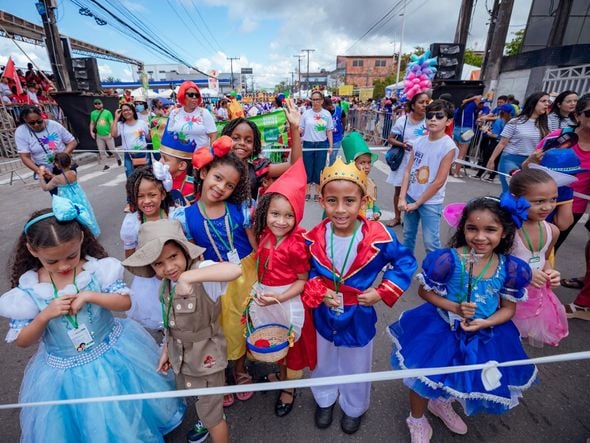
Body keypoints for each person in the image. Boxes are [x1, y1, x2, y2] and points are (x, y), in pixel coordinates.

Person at [0, 197, 185, 442]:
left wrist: (90, 295)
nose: (64, 266)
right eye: (52, 261)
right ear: (33, 250)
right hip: (63, 371)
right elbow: (23, 340)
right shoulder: (29, 290)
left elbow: (124, 303)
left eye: (71, 256)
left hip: (114, 351)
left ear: (81, 241)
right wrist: (45, 314)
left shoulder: (97, 270)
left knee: (123, 412)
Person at [388, 196, 536, 442]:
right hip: (442, 328)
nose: (480, 237)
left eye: (490, 230)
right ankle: (416, 418)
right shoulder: (448, 259)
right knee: (424, 376)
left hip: (484, 332)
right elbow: (425, 291)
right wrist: (454, 307)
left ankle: (441, 403)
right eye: (472, 228)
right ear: (463, 228)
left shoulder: (510, 268)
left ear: (504, 232)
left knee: (459, 374)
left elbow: (508, 309)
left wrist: (486, 322)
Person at [301, 157, 417, 435]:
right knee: (324, 358)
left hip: (359, 312)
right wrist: (319, 289)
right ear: (321, 201)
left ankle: (354, 407)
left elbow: (405, 262)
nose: (340, 209)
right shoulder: (313, 237)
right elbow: (306, 271)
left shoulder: (378, 236)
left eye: (349, 201)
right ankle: (325, 398)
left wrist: (381, 291)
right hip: (324, 311)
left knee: (356, 361)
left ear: (363, 200)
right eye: (332, 201)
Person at [123, 219, 241, 443]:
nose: (168, 268)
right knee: (202, 402)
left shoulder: (202, 273)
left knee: (214, 416)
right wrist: (167, 348)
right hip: (183, 356)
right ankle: (205, 417)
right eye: (158, 263)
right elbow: (170, 321)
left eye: (173, 257)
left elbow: (233, 270)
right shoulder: (166, 284)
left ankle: (210, 420)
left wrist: (190, 276)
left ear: (185, 252)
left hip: (207, 360)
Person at [174, 137, 258, 406]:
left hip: (245, 274)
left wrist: (261, 269)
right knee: (216, 328)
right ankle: (220, 374)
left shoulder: (239, 209)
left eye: (230, 184)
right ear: (203, 173)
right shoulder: (184, 217)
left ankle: (241, 368)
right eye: (217, 178)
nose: (221, 187)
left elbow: (252, 240)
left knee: (243, 322)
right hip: (212, 279)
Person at [249, 159, 316, 417]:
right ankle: (277, 372)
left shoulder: (297, 245)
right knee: (273, 339)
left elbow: (302, 279)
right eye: (275, 214)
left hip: (287, 301)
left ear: (297, 217)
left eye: (289, 216)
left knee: (292, 345)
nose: (281, 221)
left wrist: (279, 297)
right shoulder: (264, 235)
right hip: (266, 298)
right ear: (265, 212)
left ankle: (290, 388)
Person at [507, 169, 568, 346]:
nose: (548, 207)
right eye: (539, 201)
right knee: (503, 334)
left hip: (535, 295)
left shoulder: (552, 230)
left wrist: (551, 272)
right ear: (515, 198)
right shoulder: (508, 231)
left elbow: (545, 259)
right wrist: (525, 273)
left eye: (553, 199)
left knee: (522, 337)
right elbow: (493, 263)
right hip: (507, 294)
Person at [398, 99, 458, 254]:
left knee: (431, 242)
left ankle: (433, 275)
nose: (433, 119)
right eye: (430, 115)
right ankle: (405, 267)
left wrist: (418, 203)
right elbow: (407, 170)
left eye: (439, 116)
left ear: (448, 121)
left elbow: (439, 182)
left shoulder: (448, 146)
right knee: (408, 235)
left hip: (431, 201)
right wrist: (402, 198)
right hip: (411, 196)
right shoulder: (418, 142)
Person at [120, 165, 175, 334]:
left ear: (163, 194)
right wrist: (151, 270)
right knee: (159, 311)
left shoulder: (174, 215)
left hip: (175, 272)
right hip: (150, 279)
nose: (147, 201)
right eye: (140, 196)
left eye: (152, 195)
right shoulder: (132, 223)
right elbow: (130, 256)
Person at [220, 98, 303, 200]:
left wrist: (294, 128)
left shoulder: (257, 169)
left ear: (255, 147)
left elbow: (293, 165)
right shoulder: (214, 165)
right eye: (236, 138)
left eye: (248, 140)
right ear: (225, 138)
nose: (242, 143)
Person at [487, 92, 550, 192]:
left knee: (525, 194)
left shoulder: (546, 124)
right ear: (533, 103)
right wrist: (492, 160)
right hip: (510, 160)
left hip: (532, 162)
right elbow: (502, 143)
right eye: (543, 101)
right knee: (511, 192)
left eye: (548, 101)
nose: (547, 104)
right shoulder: (515, 121)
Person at [386, 92, 428, 227]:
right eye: (421, 102)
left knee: (416, 190)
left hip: (422, 161)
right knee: (399, 190)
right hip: (405, 160)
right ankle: (397, 217)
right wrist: (403, 145)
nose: (425, 105)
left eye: (427, 102)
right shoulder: (402, 120)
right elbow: (390, 138)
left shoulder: (430, 120)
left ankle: (410, 220)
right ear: (413, 105)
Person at [38, 152, 100, 238]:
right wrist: (52, 175)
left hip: (66, 198)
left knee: (71, 216)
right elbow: (63, 179)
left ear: (57, 164)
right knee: (82, 212)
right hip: (78, 196)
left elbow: (46, 187)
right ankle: (88, 232)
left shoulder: (57, 179)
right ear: (69, 162)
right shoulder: (73, 173)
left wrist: (41, 176)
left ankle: (76, 235)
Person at [15, 106, 77, 186]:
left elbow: (72, 142)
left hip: (65, 168)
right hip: (47, 172)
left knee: (74, 193)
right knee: (58, 197)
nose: (36, 125)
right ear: (25, 121)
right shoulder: (21, 132)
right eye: (32, 123)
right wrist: (40, 172)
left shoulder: (54, 125)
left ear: (42, 116)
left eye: (39, 121)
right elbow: (25, 157)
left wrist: (63, 157)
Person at [301, 90, 334, 202]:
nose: (315, 102)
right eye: (313, 100)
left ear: (322, 101)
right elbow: (301, 129)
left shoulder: (326, 114)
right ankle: (307, 191)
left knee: (319, 168)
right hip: (308, 144)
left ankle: (317, 192)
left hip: (321, 144)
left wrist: (330, 145)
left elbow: (329, 131)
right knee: (307, 168)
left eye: (317, 100)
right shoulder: (306, 113)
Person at [341, 131, 381, 220]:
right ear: (352, 163)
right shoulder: (344, 185)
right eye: (362, 163)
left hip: (367, 225)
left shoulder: (370, 183)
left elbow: (371, 203)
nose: (367, 167)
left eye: (369, 162)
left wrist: (376, 211)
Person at [166, 82, 217, 150]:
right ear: (183, 95)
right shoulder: (174, 113)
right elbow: (170, 134)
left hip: (200, 157)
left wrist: (211, 154)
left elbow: (213, 135)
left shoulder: (204, 113)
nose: (194, 97)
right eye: (191, 94)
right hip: (180, 156)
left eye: (197, 95)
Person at [475, 104, 515, 181]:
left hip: (497, 142)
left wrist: (486, 131)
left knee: (487, 157)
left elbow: (495, 135)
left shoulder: (499, 120)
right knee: (498, 160)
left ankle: (480, 174)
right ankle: (491, 176)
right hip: (508, 145)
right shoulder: (514, 122)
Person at [112, 103, 151, 177]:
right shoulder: (120, 125)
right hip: (129, 155)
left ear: (133, 111)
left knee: (146, 176)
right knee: (130, 177)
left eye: (128, 110)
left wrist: (153, 130)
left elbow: (148, 137)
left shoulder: (141, 123)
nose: (126, 112)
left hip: (143, 153)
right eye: (123, 111)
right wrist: (116, 119)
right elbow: (114, 135)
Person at [452, 94, 481, 177]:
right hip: (466, 131)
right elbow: (479, 96)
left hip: (457, 129)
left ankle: (450, 170)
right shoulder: (471, 105)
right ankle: (456, 173)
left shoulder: (460, 107)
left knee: (455, 153)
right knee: (461, 154)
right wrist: (469, 100)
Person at [89, 98, 120, 170]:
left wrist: (111, 132)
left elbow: (111, 123)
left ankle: (118, 158)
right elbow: (92, 123)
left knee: (112, 149)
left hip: (108, 134)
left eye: (99, 103)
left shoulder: (107, 112)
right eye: (96, 104)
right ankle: (106, 165)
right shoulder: (93, 113)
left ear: (102, 104)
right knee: (101, 151)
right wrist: (91, 132)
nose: (97, 105)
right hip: (99, 135)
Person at [326, 96, 346, 165]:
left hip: (336, 138)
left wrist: (343, 130)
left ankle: (330, 173)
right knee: (321, 160)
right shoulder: (322, 112)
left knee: (332, 159)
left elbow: (344, 121)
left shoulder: (340, 110)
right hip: (324, 139)